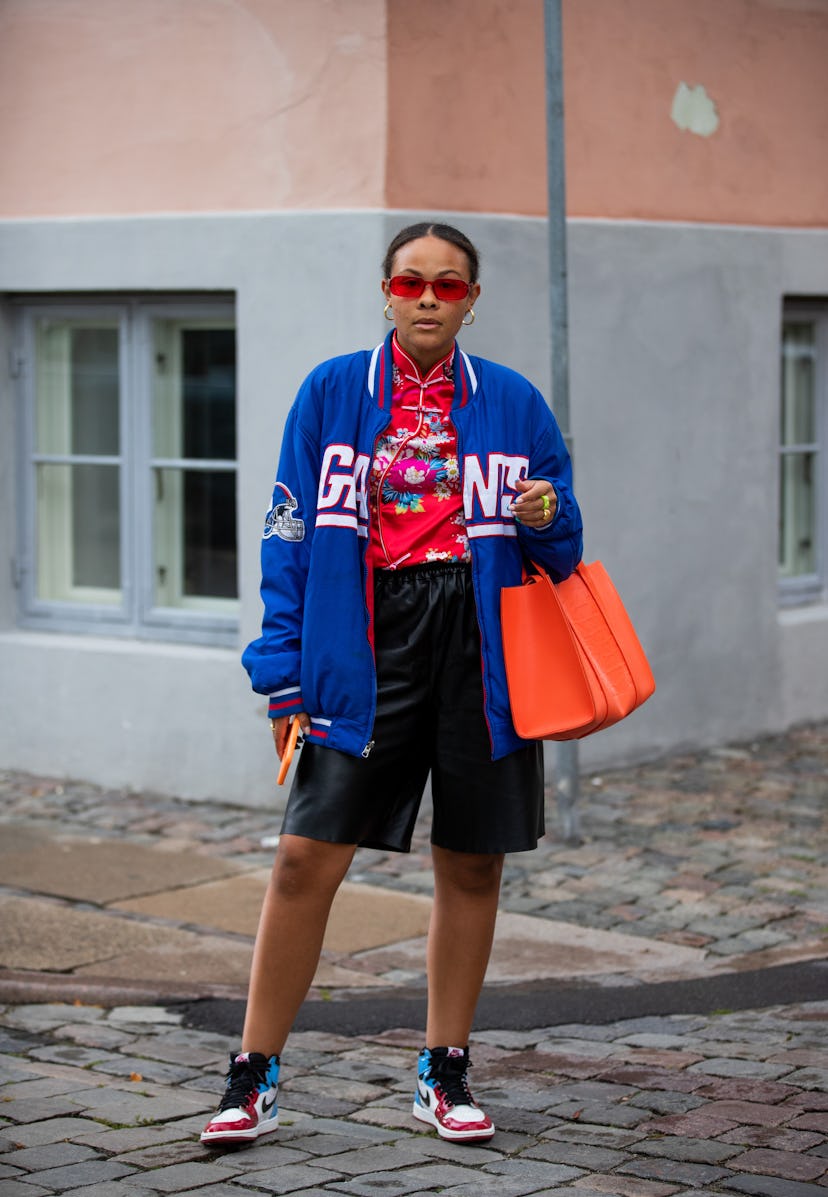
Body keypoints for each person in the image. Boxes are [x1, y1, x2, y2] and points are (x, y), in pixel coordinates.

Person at [200, 221, 583, 1147]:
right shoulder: (333, 392)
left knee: (473, 860)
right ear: (385, 289)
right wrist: (282, 678)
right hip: (363, 636)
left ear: (472, 301)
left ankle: (443, 1068)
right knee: (304, 857)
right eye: (411, 282)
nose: (427, 299)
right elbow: (287, 538)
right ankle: (253, 1073)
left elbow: (563, 546)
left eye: (449, 286)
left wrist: (546, 511)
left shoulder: (515, 402)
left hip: (481, 644)